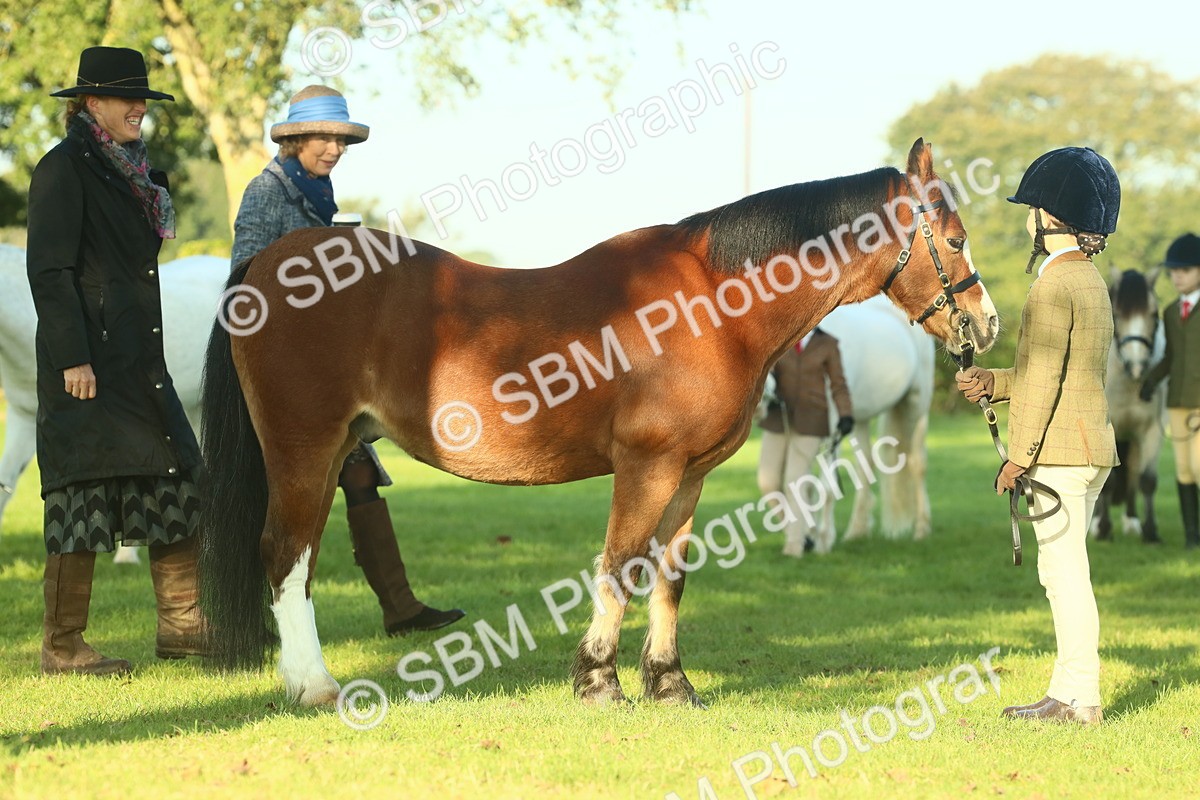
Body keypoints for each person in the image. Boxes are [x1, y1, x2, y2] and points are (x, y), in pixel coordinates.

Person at [230, 85, 464, 635]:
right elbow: (246, 278)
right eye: (324, 138)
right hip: (289, 365)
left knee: (359, 475)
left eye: (342, 140)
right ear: (295, 139)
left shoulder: (317, 189)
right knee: (272, 491)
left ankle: (399, 606)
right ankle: (254, 617)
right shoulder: (267, 191)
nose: (335, 149)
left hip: (326, 366)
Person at [26, 46, 205, 674]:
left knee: (177, 478)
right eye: (128, 99)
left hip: (137, 360)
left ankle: (183, 626)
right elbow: (50, 272)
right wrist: (73, 358)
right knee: (80, 490)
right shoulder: (62, 169)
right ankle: (62, 645)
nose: (139, 109)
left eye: (143, 100)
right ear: (91, 102)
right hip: (87, 364)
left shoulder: (134, 172)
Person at [956, 146, 1120, 725]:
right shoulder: (1089, 279)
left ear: (1048, 217)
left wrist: (1018, 458)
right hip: (1090, 447)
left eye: (1032, 210)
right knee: (1062, 572)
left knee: (1065, 576)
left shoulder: (1052, 285)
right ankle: (1067, 692)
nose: (1028, 219)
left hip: (1060, 452)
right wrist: (993, 382)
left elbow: (1048, 379)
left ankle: (1080, 699)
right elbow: (1057, 373)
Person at [757, 327, 854, 557]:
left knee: (795, 481)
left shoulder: (828, 343)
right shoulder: (781, 335)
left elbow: (838, 384)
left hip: (812, 421)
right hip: (777, 417)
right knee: (767, 482)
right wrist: (768, 390)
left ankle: (795, 545)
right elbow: (765, 371)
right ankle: (804, 530)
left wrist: (845, 415)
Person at [1140, 233, 1200, 549]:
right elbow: (1170, 357)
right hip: (1177, 401)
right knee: (1184, 469)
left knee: (1199, 467)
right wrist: (1151, 381)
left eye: (1185, 270)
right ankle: (1192, 537)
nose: (1177, 276)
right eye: (1173, 271)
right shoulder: (1171, 312)